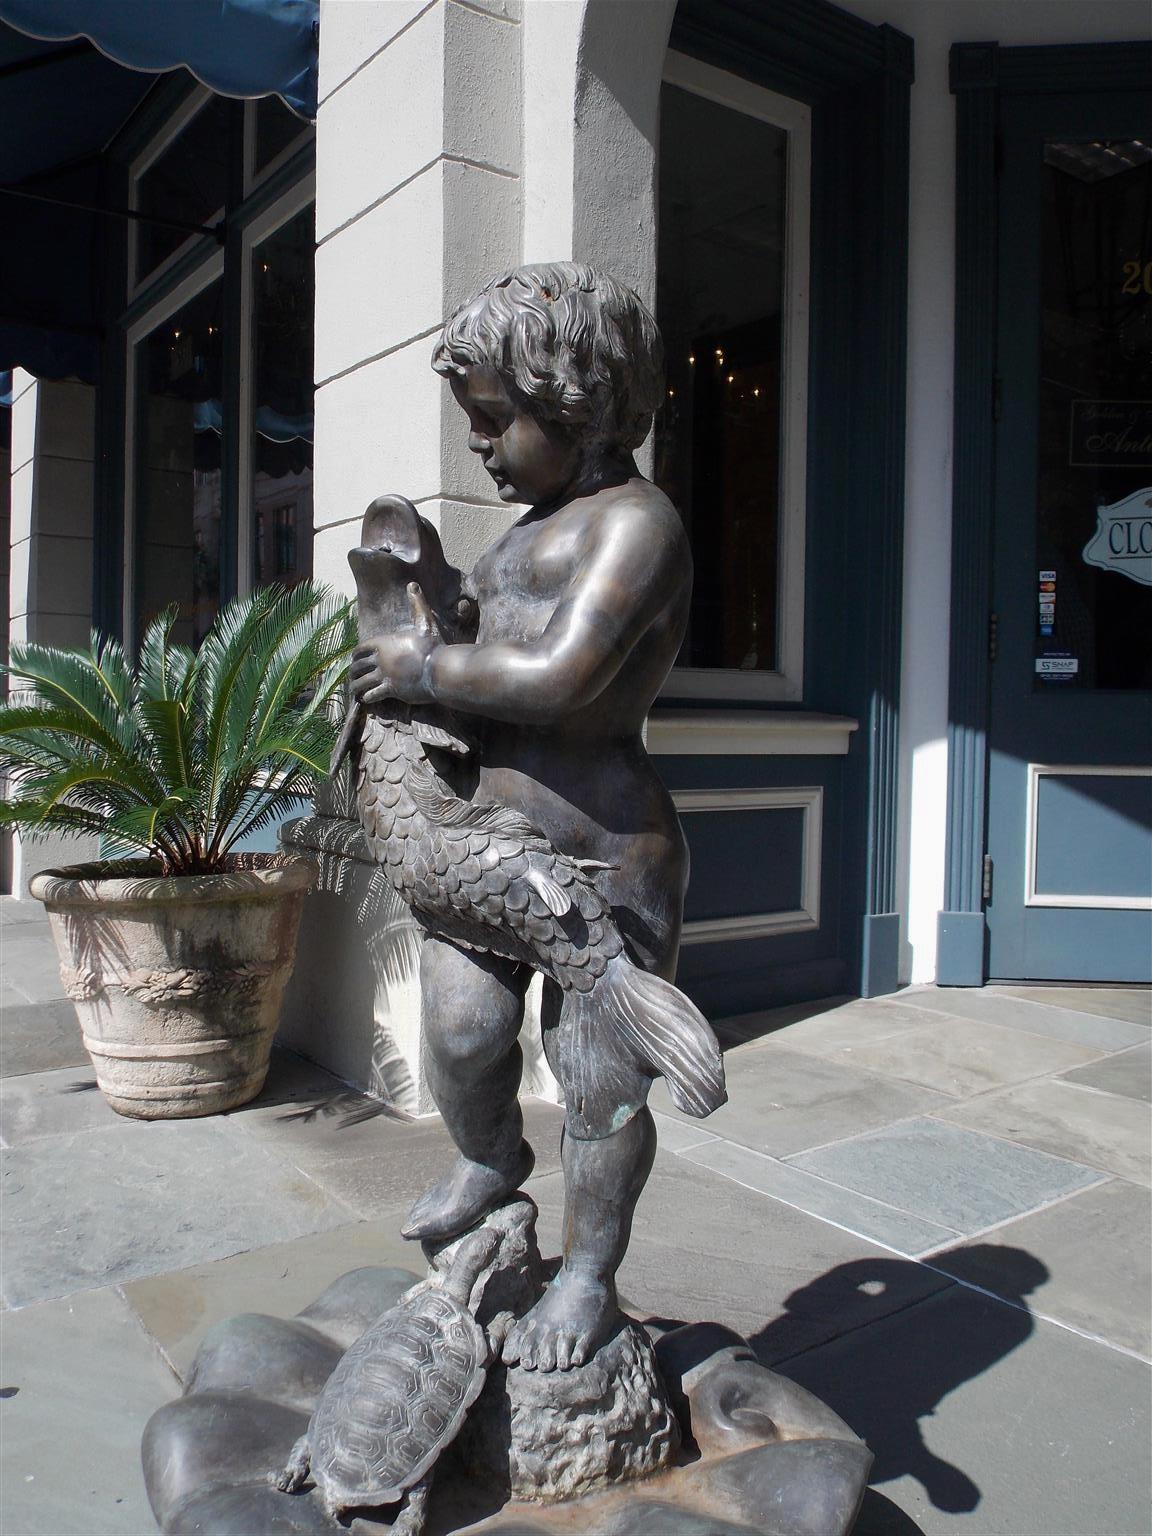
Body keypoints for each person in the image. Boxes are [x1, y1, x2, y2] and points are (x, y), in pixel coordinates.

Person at [348, 262, 717, 1372]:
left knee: (599, 1084)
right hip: (488, 850)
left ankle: (592, 1275)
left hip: (610, 852)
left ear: (578, 404)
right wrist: (427, 598)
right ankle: (490, 1155)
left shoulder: (637, 526)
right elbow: (482, 640)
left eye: (496, 422)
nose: (482, 448)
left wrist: (429, 665)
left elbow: (563, 679)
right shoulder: (520, 537)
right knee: (460, 1033)